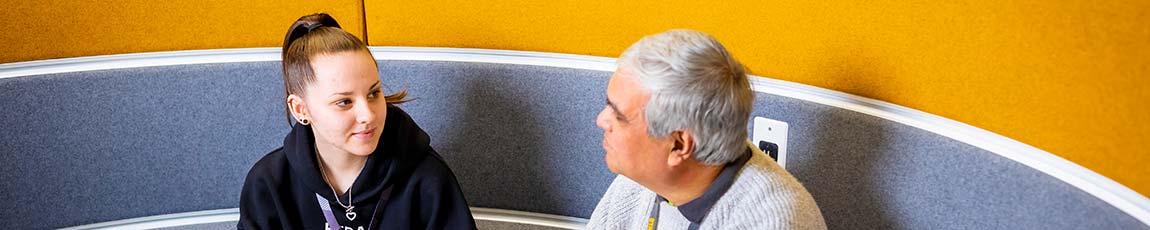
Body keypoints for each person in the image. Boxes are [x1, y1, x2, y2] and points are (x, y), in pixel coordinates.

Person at [238, 13, 476, 229]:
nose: (368, 115)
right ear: (301, 109)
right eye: (344, 102)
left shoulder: (428, 178)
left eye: (373, 94)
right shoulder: (268, 184)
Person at [586, 29, 827, 229]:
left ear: (678, 146)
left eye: (618, 116)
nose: (601, 120)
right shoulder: (643, 177)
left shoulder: (774, 222)